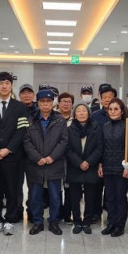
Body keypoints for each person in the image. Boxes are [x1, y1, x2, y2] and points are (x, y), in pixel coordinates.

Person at [0, 72, 29, 235]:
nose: (4, 86)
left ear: (11, 86)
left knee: (12, 189)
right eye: (1, 83)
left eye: (7, 83)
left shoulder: (20, 107)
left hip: (13, 156)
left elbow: (22, 130)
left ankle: (9, 219)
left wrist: (8, 149)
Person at [23, 89, 69, 235]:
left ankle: (54, 221)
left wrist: (51, 157)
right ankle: (37, 222)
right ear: (38, 103)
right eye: (42, 101)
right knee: (35, 196)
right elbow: (26, 141)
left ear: (52, 103)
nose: (45, 104)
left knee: (55, 196)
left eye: (48, 101)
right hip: (35, 164)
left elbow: (64, 141)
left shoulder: (60, 120)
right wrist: (37, 158)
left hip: (54, 164)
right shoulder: (30, 120)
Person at [65, 103, 102, 234]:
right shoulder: (69, 129)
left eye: (84, 111)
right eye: (78, 111)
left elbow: (99, 148)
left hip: (91, 167)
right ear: (74, 114)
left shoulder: (96, 128)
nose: (81, 113)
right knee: (74, 197)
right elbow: (68, 149)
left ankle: (87, 222)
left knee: (90, 197)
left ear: (88, 113)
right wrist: (79, 162)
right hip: (75, 166)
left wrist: (88, 162)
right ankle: (76, 221)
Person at [98, 97, 128, 237]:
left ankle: (119, 225)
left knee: (120, 197)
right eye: (110, 109)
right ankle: (111, 223)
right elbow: (101, 147)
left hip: (122, 168)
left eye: (116, 109)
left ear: (122, 111)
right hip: (107, 166)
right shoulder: (105, 126)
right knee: (109, 197)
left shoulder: (127, 126)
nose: (113, 111)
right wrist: (100, 164)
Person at [90, 83, 116, 223]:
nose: (107, 99)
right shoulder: (95, 116)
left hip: (114, 157)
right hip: (97, 156)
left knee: (111, 188)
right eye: (104, 97)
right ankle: (95, 213)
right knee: (96, 187)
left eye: (110, 97)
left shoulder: (120, 114)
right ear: (100, 98)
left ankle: (111, 213)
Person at [16, 83, 37, 222]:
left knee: (33, 185)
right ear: (19, 95)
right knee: (16, 185)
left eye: (29, 92)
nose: (26, 95)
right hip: (16, 152)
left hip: (33, 154)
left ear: (33, 95)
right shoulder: (15, 109)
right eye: (23, 93)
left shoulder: (38, 111)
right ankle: (17, 210)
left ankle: (32, 211)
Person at [57, 92, 75, 223]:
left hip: (71, 159)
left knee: (70, 187)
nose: (66, 104)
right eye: (63, 101)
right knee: (56, 187)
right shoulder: (54, 118)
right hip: (56, 158)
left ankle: (67, 214)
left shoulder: (76, 120)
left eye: (68, 101)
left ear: (72, 104)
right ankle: (57, 213)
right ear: (58, 103)